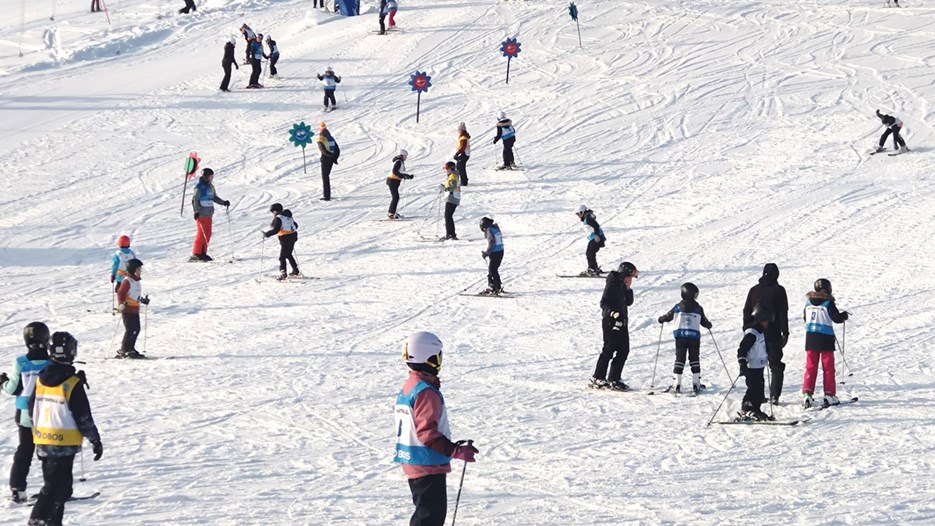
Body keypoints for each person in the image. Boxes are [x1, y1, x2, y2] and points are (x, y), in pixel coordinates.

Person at [394, 331, 478, 526]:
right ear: (429, 357)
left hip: (415, 460)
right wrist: (457, 451)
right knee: (429, 517)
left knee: (427, 514)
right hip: (426, 463)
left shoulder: (410, 387)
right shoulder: (425, 392)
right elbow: (427, 434)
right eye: (438, 356)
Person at [28, 332, 103, 526]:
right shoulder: (72, 383)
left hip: (43, 441)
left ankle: (53, 522)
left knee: (56, 486)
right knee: (57, 489)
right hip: (64, 443)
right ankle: (38, 519)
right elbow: (83, 416)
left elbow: (31, 407)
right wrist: (94, 439)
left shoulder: (40, 379)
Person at [1, 322, 51, 503]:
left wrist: (3, 383)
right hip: (49, 413)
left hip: (25, 414)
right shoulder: (52, 362)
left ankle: (17, 488)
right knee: (48, 451)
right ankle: (52, 488)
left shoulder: (21, 362)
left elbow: (13, 388)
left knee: (25, 450)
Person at [742, 263, 789, 404]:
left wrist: (747, 328)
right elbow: (782, 313)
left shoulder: (753, 290)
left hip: (755, 331)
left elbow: (746, 310)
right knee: (775, 364)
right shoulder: (779, 290)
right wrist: (785, 332)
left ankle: (759, 394)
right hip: (772, 331)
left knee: (757, 364)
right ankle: (774, 395)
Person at [589, 261, 638, 391]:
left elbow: (629, 302)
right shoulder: (613, 283)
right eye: (631, 276)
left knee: (624, 350)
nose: (631, 279)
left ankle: (614, 378)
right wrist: (613, 313)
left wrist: (628, 288)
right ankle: (598, 377)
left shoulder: (623, 285)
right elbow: (603, 303)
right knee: (609, 349)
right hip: (611, 322)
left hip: (623, 322)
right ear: (625, 273)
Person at [657, 283, 713, 394]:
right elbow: (704, 321)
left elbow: (668, 316)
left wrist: (661, 319)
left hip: (680, 336)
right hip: (694, 337)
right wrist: (708, 325)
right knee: (694, 358)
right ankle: (696, 383)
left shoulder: (678, 306)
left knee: (680, 358)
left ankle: (676, 383)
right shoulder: (698, 308)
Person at [802, 278, 849, 408]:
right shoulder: (828, 303)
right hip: (825, 339)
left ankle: (807, 394)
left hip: (811, 338)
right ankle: (829, 394)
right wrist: (843, 316)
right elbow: (836, 318)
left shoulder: (808, 302)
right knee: (828, 368)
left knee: (811, 367)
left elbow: (805, 317)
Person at [737, 304, 773, 421]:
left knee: (759, 389)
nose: (767, 323)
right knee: (753, 388)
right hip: (751, 366)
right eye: (765, 320)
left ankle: (756, 409)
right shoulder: (752, 333)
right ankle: (747, 408)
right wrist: (742, 362)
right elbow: (742, 348)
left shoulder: (760, 332)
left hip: (759, 366)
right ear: (759, 319)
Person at [191, 168, 230, 262]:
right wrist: (196, 211)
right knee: (201, 234)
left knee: (207, 234)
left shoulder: (211, 187)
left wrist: (223, 202)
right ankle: (196, 253)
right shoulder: (199, 187)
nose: (212, 178)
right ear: (206, 176)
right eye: (211, 176)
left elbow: (214, 198)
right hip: (201, 214)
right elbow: (195, 200)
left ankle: (203, 252)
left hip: (209, 214)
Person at [115, 259, 149, 359]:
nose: (140, 271)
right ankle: (125, 349)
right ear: (133, 270)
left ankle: (131, 348)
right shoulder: (127, 281)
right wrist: (121, 304)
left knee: (136, 329)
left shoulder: (136, 282)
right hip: (127, 309)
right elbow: (121, 293)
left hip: (134, 309)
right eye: (138, 269)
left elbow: (134, 295)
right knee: (131, 329)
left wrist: (142, 300)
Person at [263, 203, 300, 280]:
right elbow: (296, 225)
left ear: (276, 211)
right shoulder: (288, 216)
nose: (273, 213)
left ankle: (283, 274)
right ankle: (295, 270)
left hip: (285, 238)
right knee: (289, 254)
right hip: (293, 236)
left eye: (273, 212)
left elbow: (276, 230)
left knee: (282, 257)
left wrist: (267, 234)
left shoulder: (279, 218)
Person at [574, 205, 605, 276]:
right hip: (595, 238)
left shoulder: (588, 218)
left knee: (590, 254)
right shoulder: (587, 218)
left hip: (596, 238)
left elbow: (596, 226)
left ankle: (592, 269)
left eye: (578, 214)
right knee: (590, 253)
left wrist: (597, 235)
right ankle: (594, 268)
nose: (578, 216)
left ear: (582, 212)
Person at [479, 217, 504, 295]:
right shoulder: (495, 228)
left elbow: (492, 242)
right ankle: (497, 286)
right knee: (494, 269)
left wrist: (487, 253)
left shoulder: (489, 230)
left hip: (495, 252)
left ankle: (493, 287)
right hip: (501, 251)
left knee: (492, 270)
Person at [387, 149, 414, 219]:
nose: (406, 157)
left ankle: (392, 212)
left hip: (394, 181)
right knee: (395, 197)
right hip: (392, 181)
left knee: (396, 197)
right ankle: (391, 213)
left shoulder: (399, 161)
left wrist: (407, 176)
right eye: (405, 156)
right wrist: (403, 176)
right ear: (401, 156)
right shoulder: (398, 162)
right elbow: (394, 171)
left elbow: (400, 172)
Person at [317, 122, 340, 201]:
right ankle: (327, 195)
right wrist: (334, 157)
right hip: (331, 159)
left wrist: (329, 156)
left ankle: (326, 196)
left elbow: (323, 150)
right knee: (327, 176)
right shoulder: (331, 137)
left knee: (325, 177)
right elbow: (337, 149)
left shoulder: (320, 138)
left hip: (325, 159)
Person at [440, 161, 461, 240]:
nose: (446, 170)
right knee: (448, 216)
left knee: (448, 216)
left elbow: (453, 186)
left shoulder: (453, 176)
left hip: (452, 197)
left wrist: (445, 189)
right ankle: (451, 234)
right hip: (451, 197)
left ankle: (450, 234)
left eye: (447, 169)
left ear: (451, 168)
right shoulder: (452, 175)